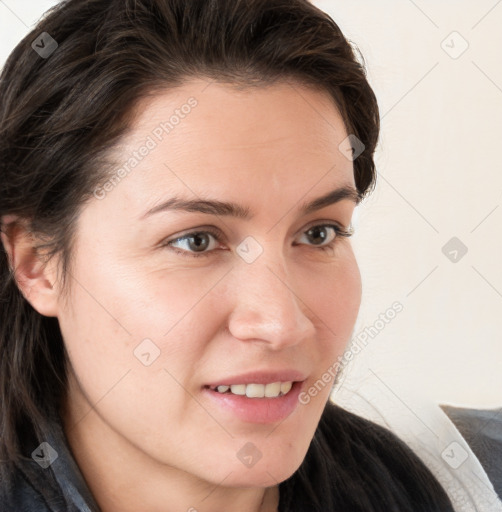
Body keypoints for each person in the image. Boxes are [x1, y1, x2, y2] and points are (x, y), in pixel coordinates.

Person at [0, 0, 458, 510]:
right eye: (195, 240)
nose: (282, 324)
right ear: (36, 263)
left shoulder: (405, 490)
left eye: (319, 233)